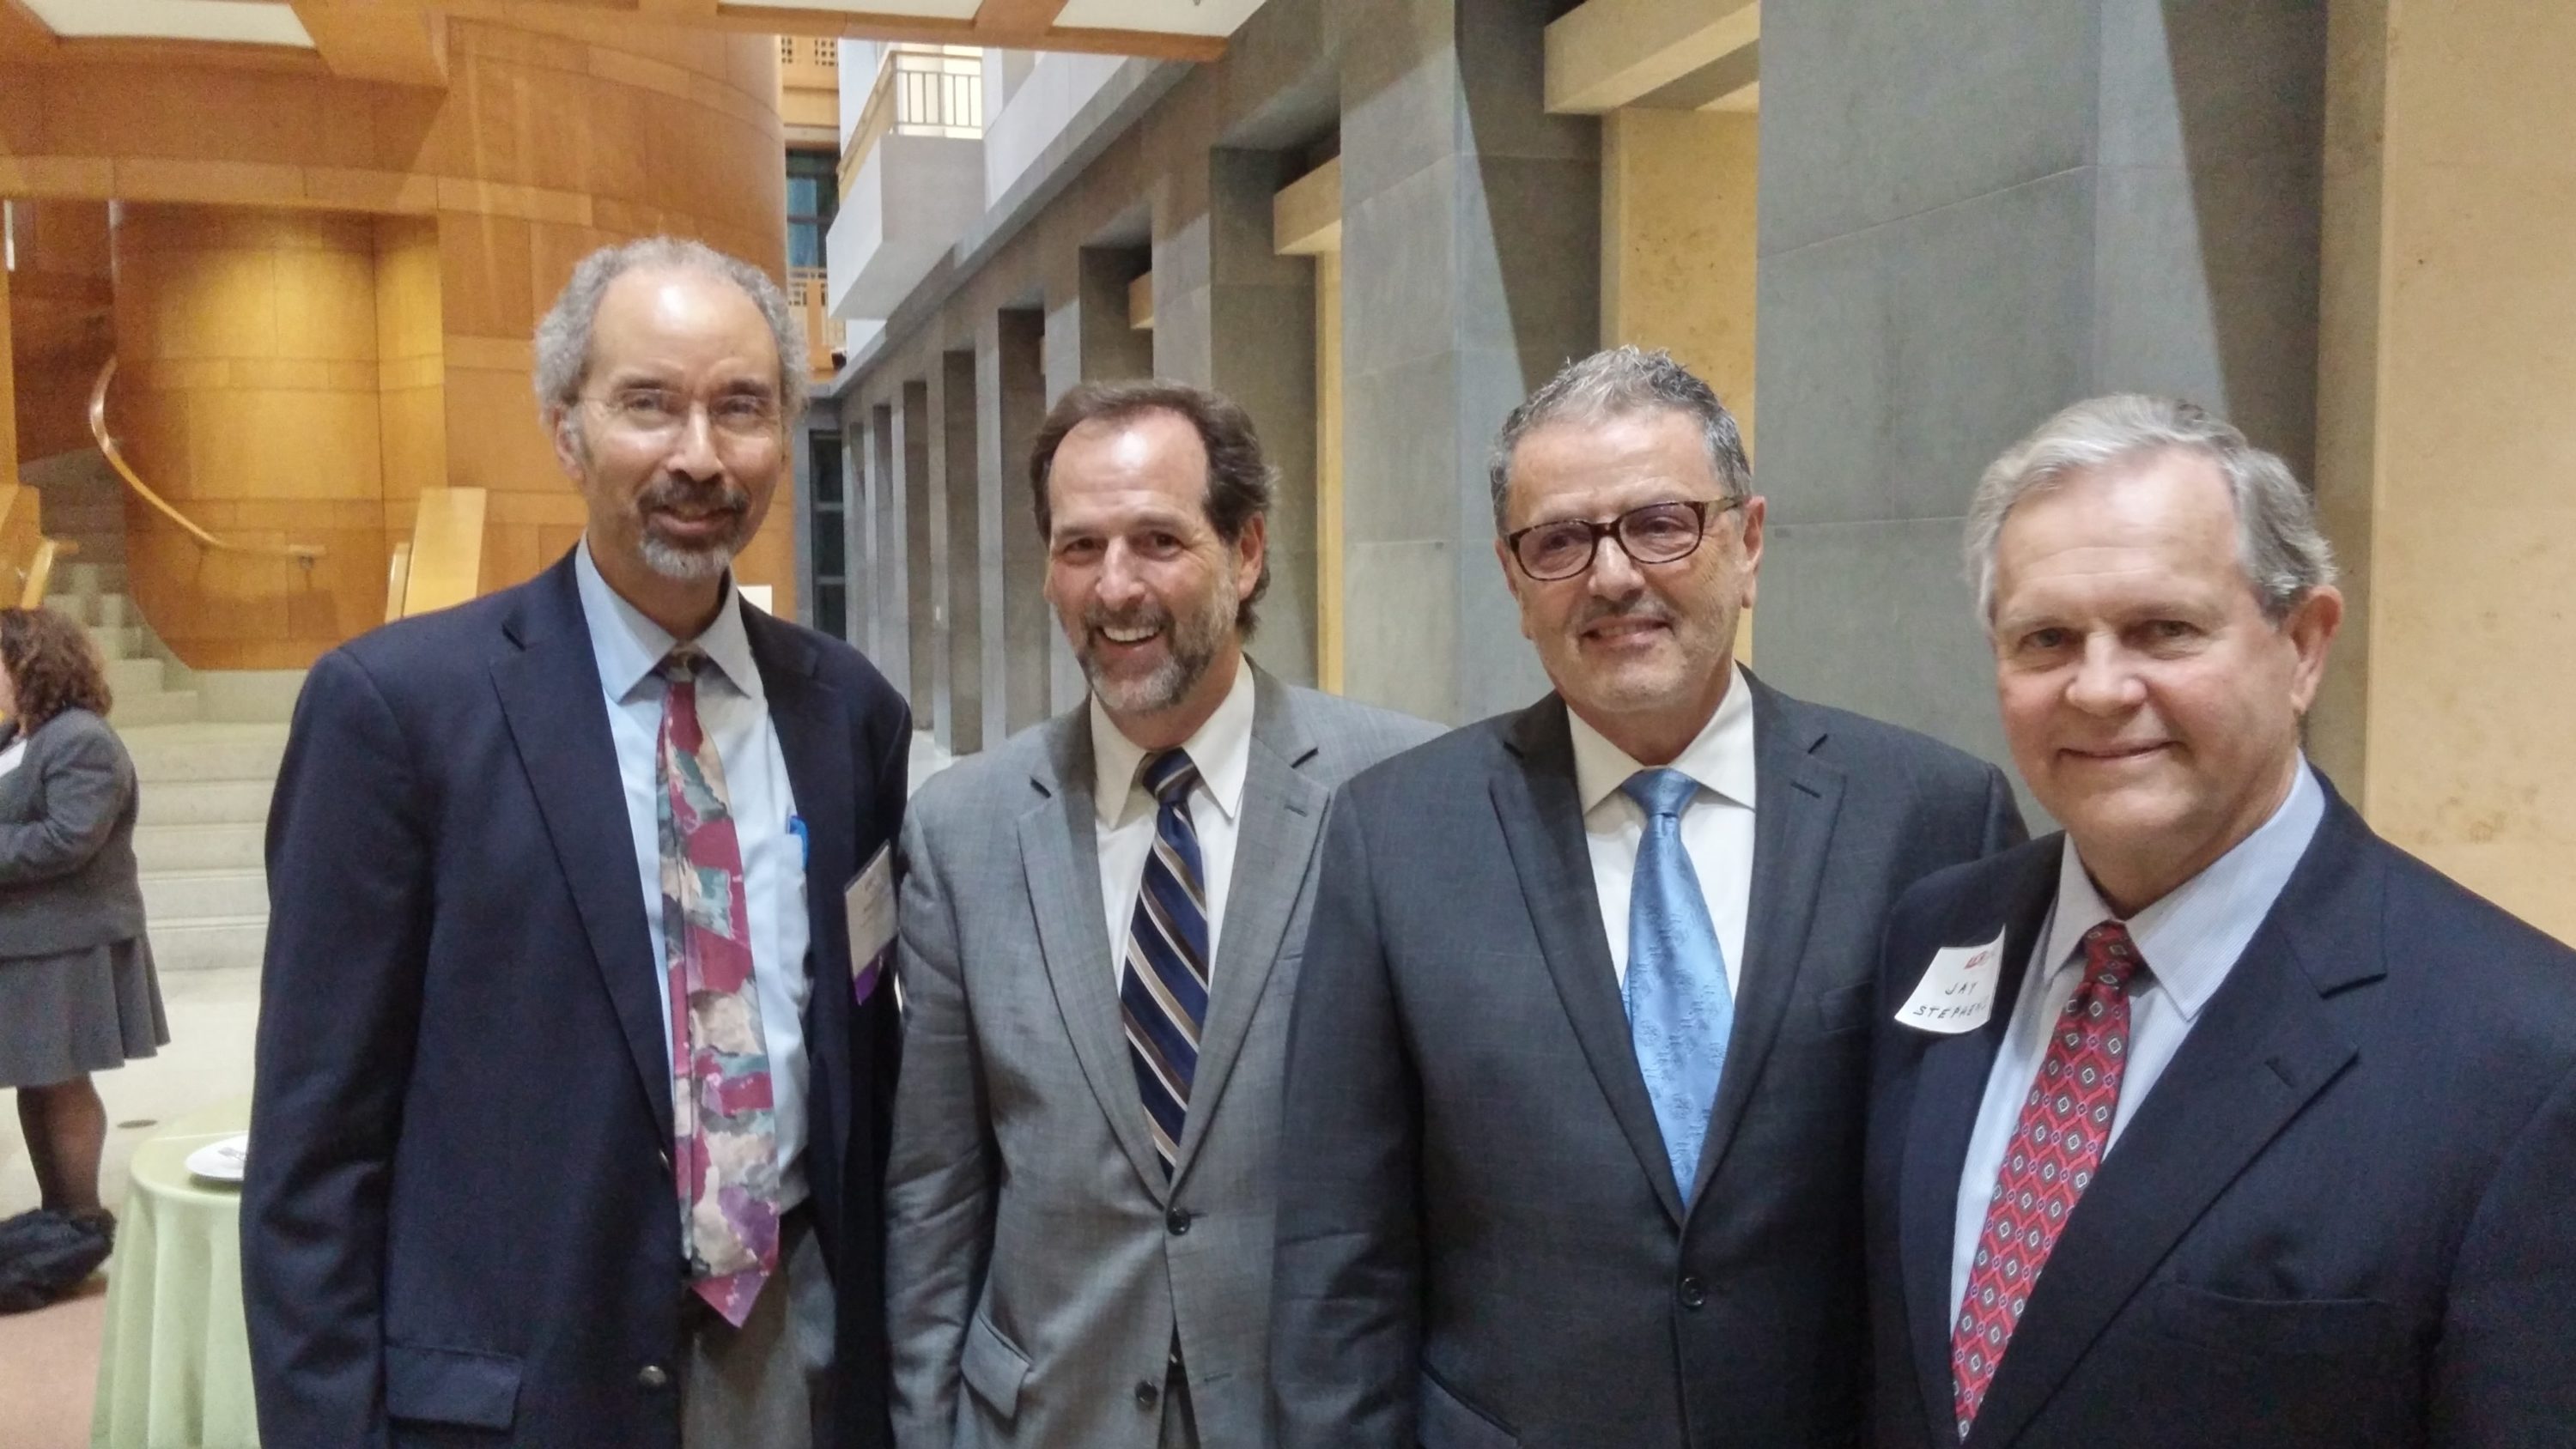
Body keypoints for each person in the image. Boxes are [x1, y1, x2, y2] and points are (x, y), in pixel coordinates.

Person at [1269, 347, 2025, 1448]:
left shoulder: (1933, 820)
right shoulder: (1394, 835)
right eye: (1561, 540)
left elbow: (1983, 1219)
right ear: (1515, 580)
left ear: (1748, 541)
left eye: (1661, 522)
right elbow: (1340, 1255)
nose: (1614, 575)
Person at [243, 238, 912, 1449]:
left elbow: (866, 1046)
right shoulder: (398, 715)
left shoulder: (851, 714)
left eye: (741, 409)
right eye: (648, 405)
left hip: (797, 1363)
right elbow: (313, 1156)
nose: (699, 456)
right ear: (566, 428)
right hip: (521, 1389)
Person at [1864, 396, 2576, 1447]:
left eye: (2164, 629)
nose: (2099, 688)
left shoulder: (2526, 1056)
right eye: (2046, 638)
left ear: (2304, 645)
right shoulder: (1940, 934)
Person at [884, 379, 1437, 1449]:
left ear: (1247, 551)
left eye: (1158, 540)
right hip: (1046, 1417)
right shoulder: (964, 827)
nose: (1116, 586)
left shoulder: (1395, 790)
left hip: (1311, 1417)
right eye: (1080, 545)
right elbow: (935, 1197)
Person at [0, 608, 163, 1242]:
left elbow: (67, 840)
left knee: (59, 1079)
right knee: (36, 1079)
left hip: (69, 942)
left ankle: (80, 1220)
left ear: (31, 667)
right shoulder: (22, 737)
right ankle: (58, 1218)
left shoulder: (81, 740)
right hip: (31, 941)